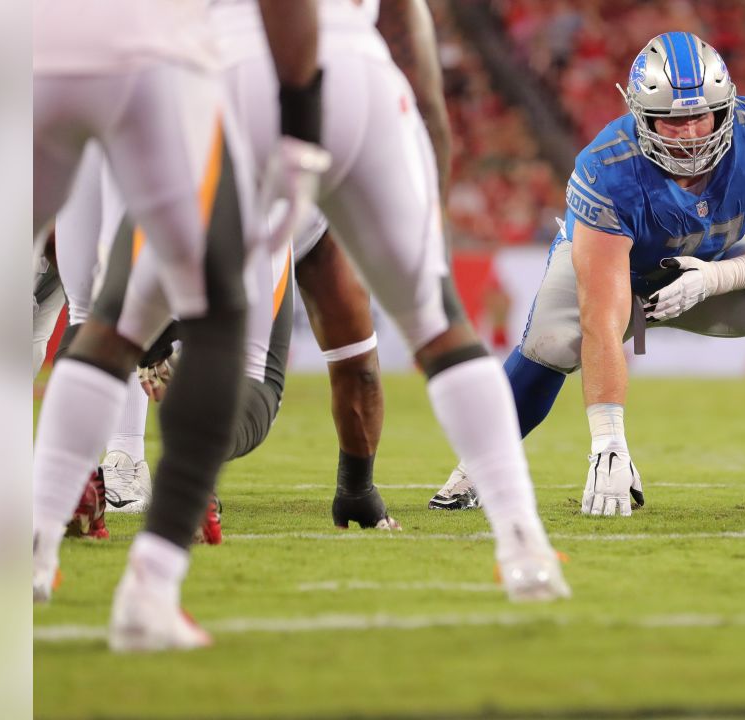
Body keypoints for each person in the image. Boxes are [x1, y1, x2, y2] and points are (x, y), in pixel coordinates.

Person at [211, 0, 569, 600]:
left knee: (126, 323)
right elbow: (420, 73)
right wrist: (430, 221)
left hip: (240, 80)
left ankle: (104, 532)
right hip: (362, 79)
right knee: (438, 324)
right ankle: (522, 542)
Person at [432, 31, 745, 516]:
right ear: (642, 116)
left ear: (726, 107)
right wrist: (608, 443)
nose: (692, 133)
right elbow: (603, 320)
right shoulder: (609, 168)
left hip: (707, 264)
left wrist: (714, 279)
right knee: (552, 344)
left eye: (701, 115)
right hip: (614, 268)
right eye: (673, 122)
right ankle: (476, 467)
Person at [31, 0, 328, 652]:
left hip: (36, 57)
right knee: (208, 318)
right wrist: (300, 129)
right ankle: (153, 572)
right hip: (159, 68)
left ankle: (41, 523)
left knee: (84, 313)